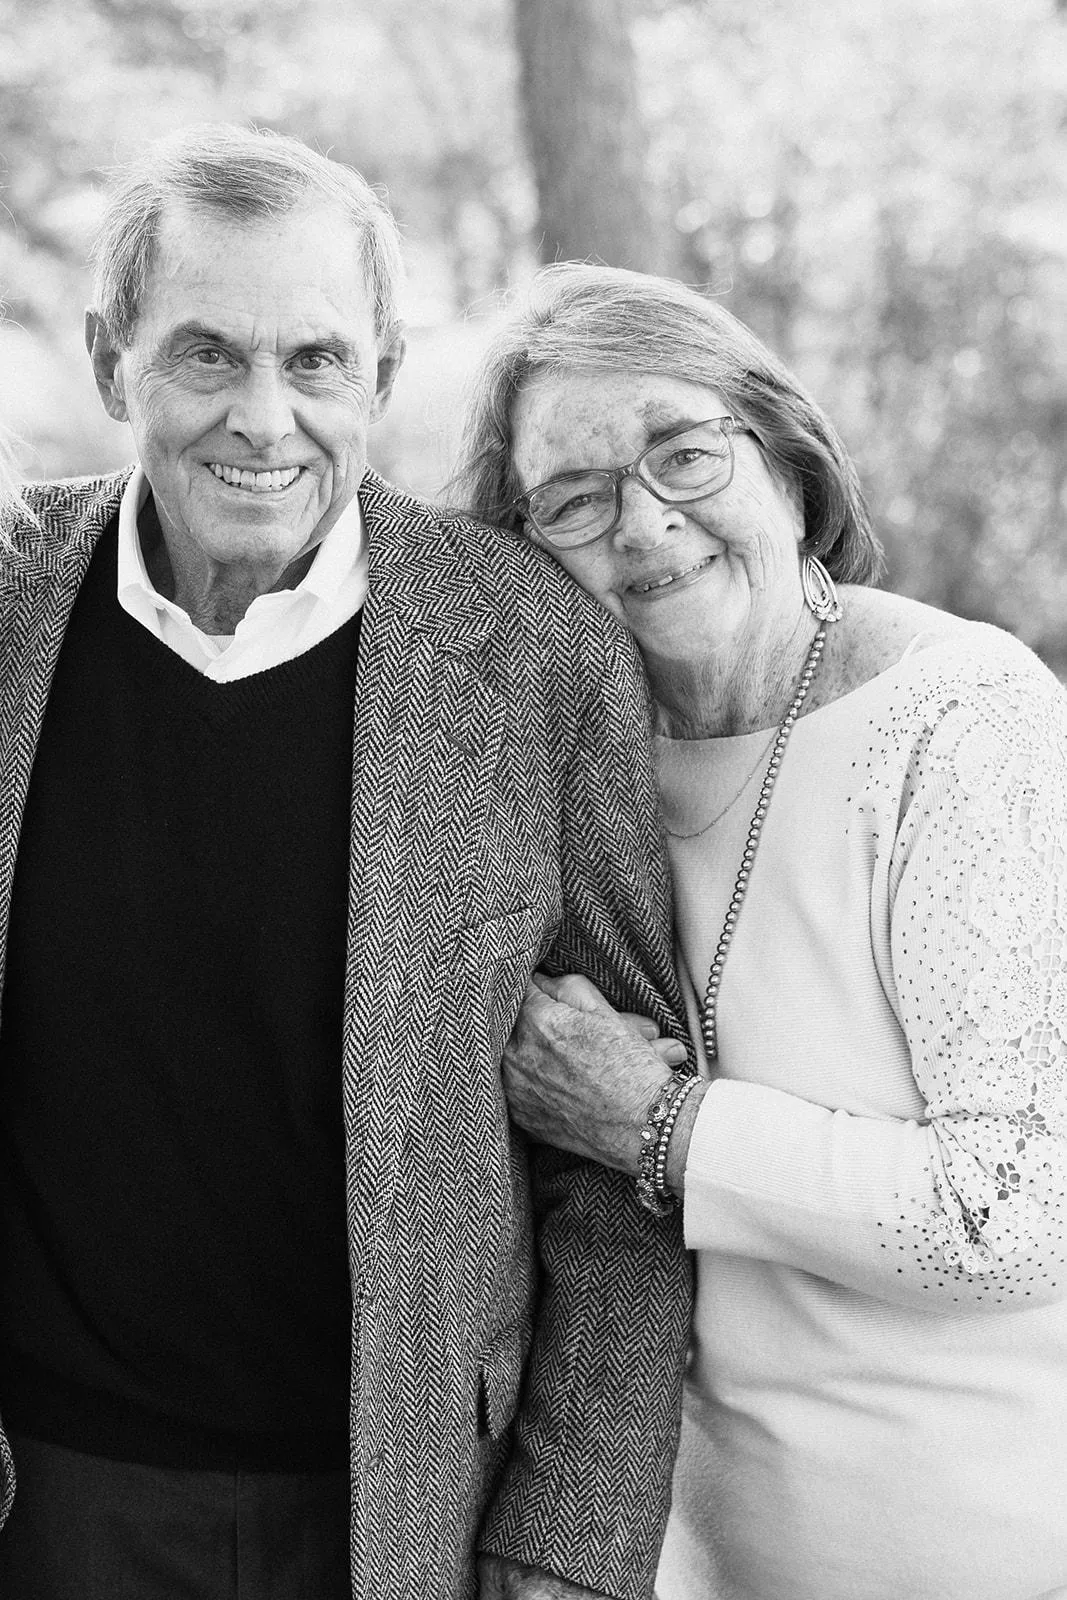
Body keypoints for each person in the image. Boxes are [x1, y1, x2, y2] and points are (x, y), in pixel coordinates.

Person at [0, 133, 694, 1600]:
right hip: (46, 1500)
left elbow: (622, 1154)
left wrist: (568, 1547)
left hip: (404, 1515)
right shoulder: (5, 604)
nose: (265, 421)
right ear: (110, 357)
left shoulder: (529, 652)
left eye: (315, 361)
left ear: (380, 368)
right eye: (207, 356)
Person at [453, 262, 1067, 1600]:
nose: (645, 525)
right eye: (573, 499)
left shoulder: (960, 720)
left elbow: (1010, 1216)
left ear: (785, 462)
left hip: (962, 1546)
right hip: (677, 1555)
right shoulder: (561, 773)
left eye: (683, 454)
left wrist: (654, 1124)